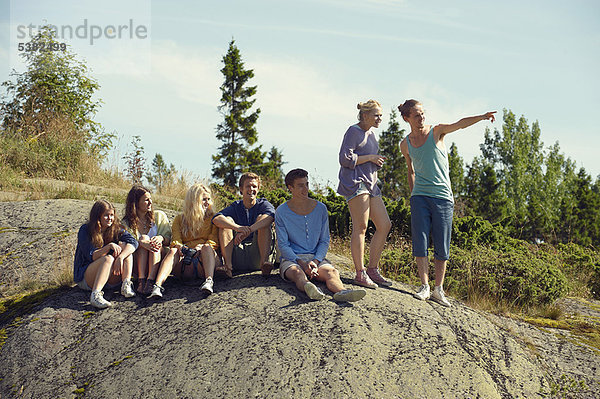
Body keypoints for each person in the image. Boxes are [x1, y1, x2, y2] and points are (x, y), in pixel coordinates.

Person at [398, 99, 496, 307]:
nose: (422, 117)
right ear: (407, 118)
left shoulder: (437, 132)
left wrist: (481, 117)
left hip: (443, 197)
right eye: (416, 114)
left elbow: (460, 124)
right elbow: (410, 170)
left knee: (442, 243)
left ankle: (438, 289)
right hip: (420, 197)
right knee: (421, 241)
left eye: (423, 113)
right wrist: (413, 194)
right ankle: (424, 286)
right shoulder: (404, 144)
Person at [276, 168, 366, 302]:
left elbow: (324, 240)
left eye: (307, 184)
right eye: (300, 185)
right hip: (292, 260)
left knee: (332, 273)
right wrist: (302, 263)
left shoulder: (321, 208)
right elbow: (283, 244)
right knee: (297, 273)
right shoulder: (281, 211)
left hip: (316, 259)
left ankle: (342, 292)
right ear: (290, 188)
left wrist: (316, 261)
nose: (305, 189)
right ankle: (309, 288)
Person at [337, 99, 392, 289]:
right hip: (355, 183)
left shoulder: (372, 134)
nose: (380, 118)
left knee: (384, 225)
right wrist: (370, 158)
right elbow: (344, 158)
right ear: (365, 115)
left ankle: (372, 269)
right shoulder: (353, 131)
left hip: (371, 184)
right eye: (377, 115)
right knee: (361, 226)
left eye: (381, 115)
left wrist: (374, 162)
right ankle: (359, 273)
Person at [150, 183, 222, 298]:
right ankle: (157, 286)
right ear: (194, 201)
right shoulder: (179, 219)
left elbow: (214, 241)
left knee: (207, 247)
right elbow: (175, 241)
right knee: (173, 251)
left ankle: (209, 281)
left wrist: (201, 247)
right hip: (186, 260)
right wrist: (181, 247)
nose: (207, 202)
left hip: (205, 260)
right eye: (204, 200)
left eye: (208, 199)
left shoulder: (214, 217)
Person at [73, 200, 139, 309]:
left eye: (112, 215)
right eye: (106, 215)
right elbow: (91, 255)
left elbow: (134, 242)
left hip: (109, 279)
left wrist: (121, 258)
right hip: (87, 277)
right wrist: (108, 247)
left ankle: (126, 284)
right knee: (107, 259)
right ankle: (95, 295)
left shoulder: (116, 228)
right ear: (97, 216)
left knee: (127, 251)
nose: (110, 218)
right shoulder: (85, 230)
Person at [212, 172, 276, 277]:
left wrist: (248, 230)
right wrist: (238, 228)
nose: (251, 189)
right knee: (226, 222)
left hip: (257, 254)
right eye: (248, 186)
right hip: (237, 255)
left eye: (254, 186)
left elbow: (270, 217)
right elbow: (216, 219)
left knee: (262, 220)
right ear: (241, 189)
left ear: (258, 189)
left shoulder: (263, 204)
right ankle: (228, 268)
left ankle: (265, 264)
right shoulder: (236, 206)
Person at [122, 185, 172, 295]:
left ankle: (150, 282)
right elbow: (124, 245)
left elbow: (169, 241)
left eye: (150, 199)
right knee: (143, 239)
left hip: (158, 258)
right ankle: (141, 281)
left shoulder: (159, 216)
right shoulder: (126, 223)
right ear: (136, 203)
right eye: (146, 200)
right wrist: (140, 243)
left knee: (154, 242)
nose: (150, 202)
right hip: (138, 262)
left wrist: (161, 238)